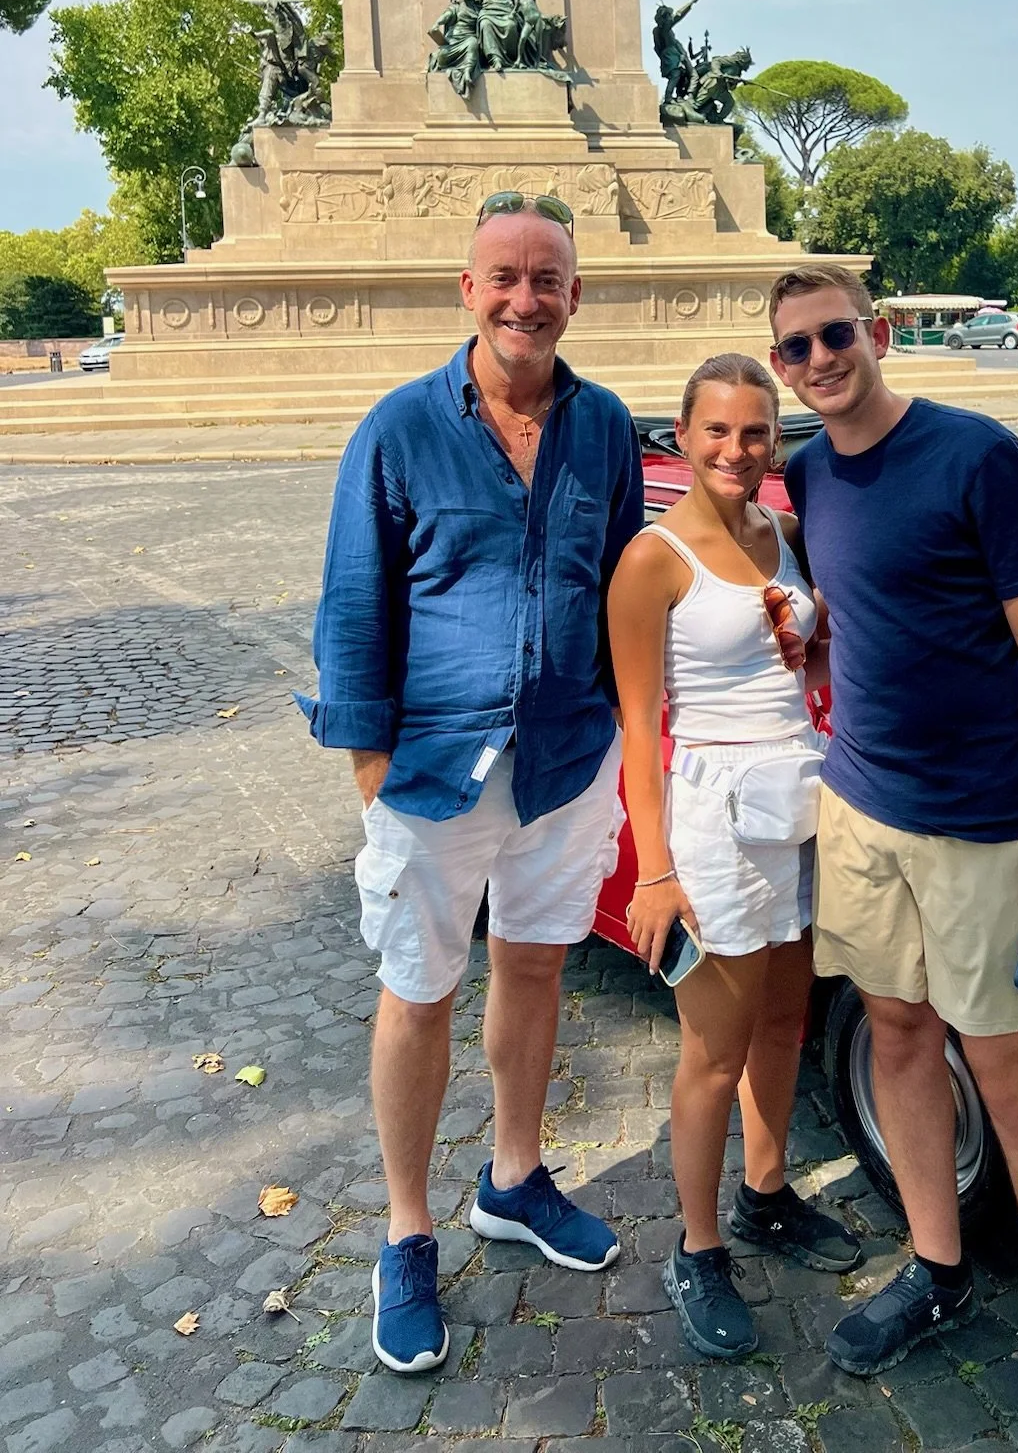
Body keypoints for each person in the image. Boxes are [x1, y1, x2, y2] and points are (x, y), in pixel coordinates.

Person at [767, 263, 1018, 1453]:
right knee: (900, 1035)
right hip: (863, 809)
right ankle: (937, 1264)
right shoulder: (805, 474)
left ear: (873, 334)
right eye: (795, 348)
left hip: (982, 825)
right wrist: (805, 636)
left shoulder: (977, 453)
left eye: (835, 334)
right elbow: (837, 609)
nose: (820, 358)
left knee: (1017, 1083)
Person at [297, 192, 644, 1376]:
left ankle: (512, 1174)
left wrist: (630, 731)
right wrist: (370, 770)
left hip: (563, 759)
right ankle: (406, 1228)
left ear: (574, 296)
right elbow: (354, 604)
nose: (524, 297)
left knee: (538, 963)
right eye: (504, 275)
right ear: (467, 288)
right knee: (418, 986)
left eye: (547, 277)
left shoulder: (604, 427)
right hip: (433, 767)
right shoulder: (397, 428)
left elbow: (623, 589)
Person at [607, 354, 860, 1360]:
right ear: (683, 432)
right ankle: (697, 1245)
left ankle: (764, 1193)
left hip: (799, 799)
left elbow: (819, 660)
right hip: (712, 814)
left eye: (756, 432)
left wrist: (815, 639)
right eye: (717, 430)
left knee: (786, 1016)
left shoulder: (786, 535)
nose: (737, 449)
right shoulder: (653, 559)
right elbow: (637, 728)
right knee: (712, 1049)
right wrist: (655, 870)